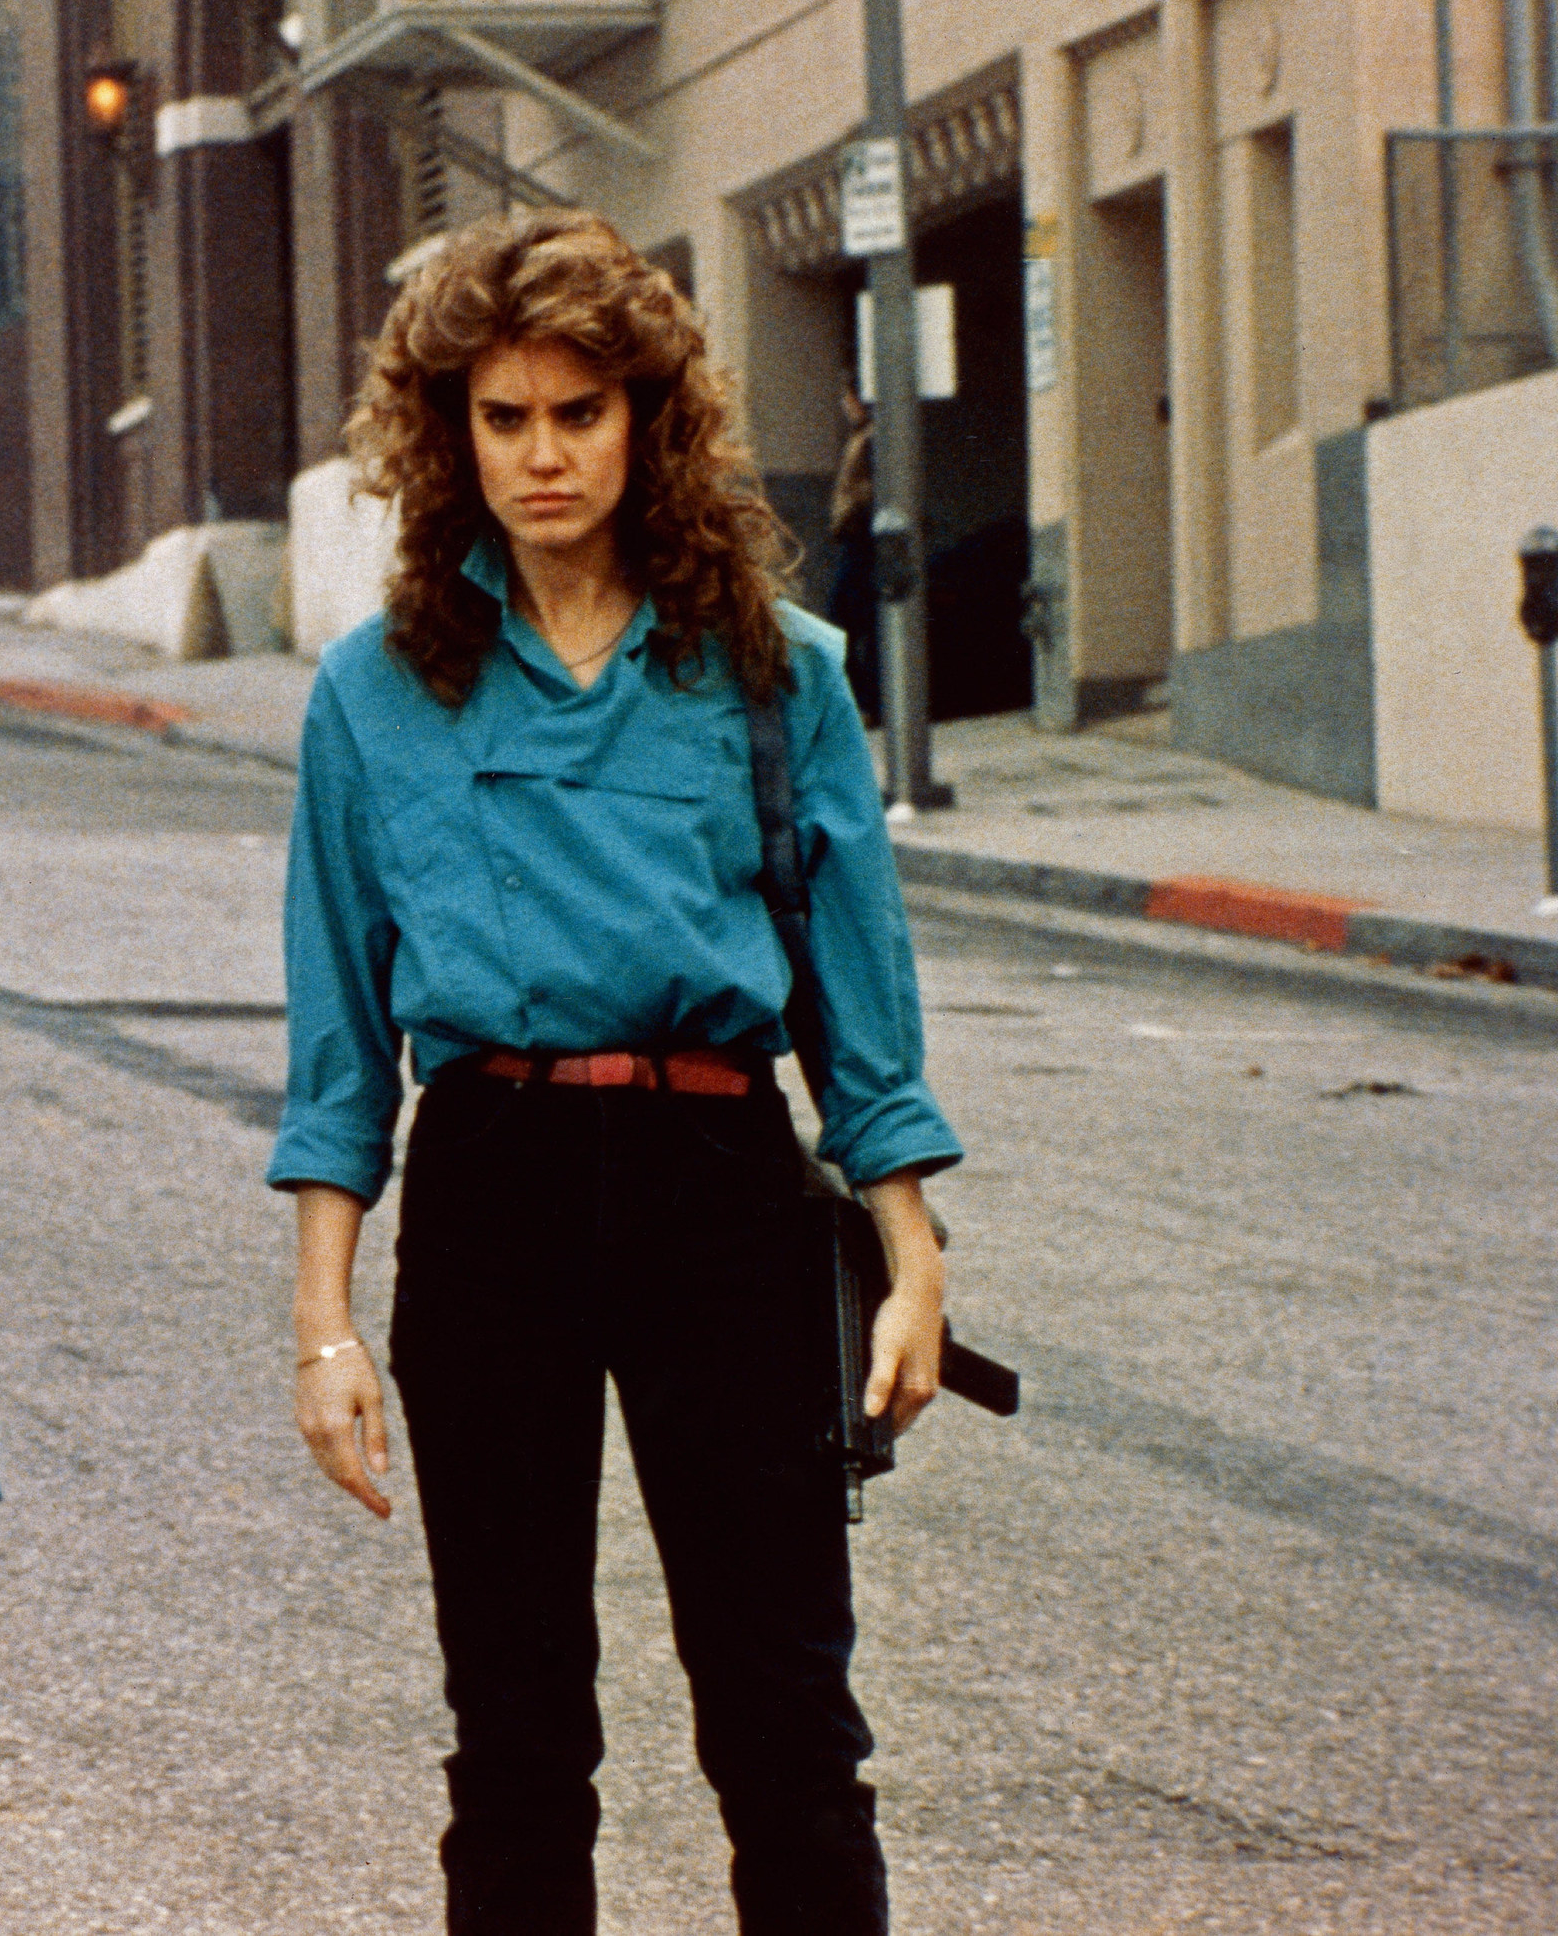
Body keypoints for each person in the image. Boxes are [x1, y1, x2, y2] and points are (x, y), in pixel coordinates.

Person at [268, 211, 961, 1935]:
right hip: (492, 1187)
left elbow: (856, 1000)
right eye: (503, 419)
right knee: (512, 1734)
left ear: (648, 420)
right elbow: (342, 1041)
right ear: (451, 438)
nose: (543, 454)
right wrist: (326, 1324)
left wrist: (914, 1255)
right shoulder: (374, 695)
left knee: (786, 1717)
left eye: (578, 411)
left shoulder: (775, 669)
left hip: (720, 1190)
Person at [825, 389, 883, 722]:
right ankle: (868, 702)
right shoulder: (862, 436)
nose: (845, 408)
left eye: (847, 399)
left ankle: (868, 702)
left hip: (863, 537)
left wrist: (857, 514)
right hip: (857, 536)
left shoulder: (872, 438)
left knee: (847, 620)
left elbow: (868, 489)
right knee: (858, 623)